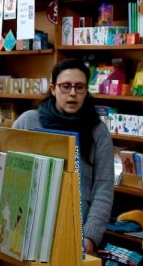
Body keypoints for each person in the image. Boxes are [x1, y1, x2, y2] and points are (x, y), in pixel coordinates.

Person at [12, 59, 114, 252]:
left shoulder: (98, 131)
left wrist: (90, 236)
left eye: (80, 87)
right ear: (53, 88)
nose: (73, 93)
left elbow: (104, 188)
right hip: (26, 225)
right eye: (66, 86)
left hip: (74, 230)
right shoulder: (27, 122)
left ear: (86, 90)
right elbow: (10, 171)